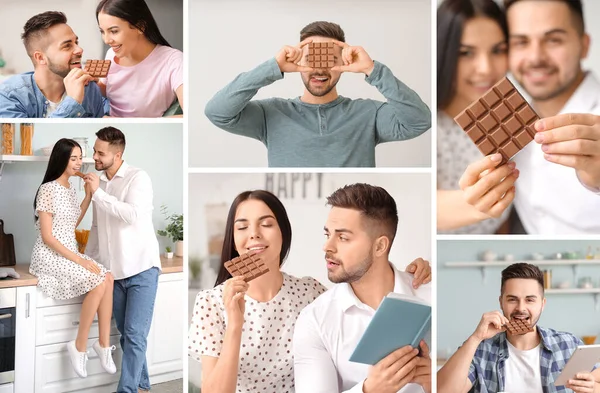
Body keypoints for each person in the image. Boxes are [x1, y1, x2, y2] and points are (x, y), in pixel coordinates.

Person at [188, 189, 431, 392]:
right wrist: (234, 324)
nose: (253, 234)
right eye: (241, 227)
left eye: (266, 224)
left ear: (283, 232)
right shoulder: (211, 303)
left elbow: (364, 284)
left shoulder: (309, 294)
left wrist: (414, 276)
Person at [204, 21, 431, 167]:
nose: (320, 69)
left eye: (330, 60)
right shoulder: (270, 114)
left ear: (345, 62)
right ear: (297, 60)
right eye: (311, 59)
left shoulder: (369, 113)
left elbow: (420, 121)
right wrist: (273, 67)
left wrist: (372, 69)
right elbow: (217, 112)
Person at [293, 183, 432, 393]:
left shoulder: (431, 294)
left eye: (343, 237)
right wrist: (369, 390)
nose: (327, 247)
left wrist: (437, 384)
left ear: (379, 246)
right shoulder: (315, 319)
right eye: (327, 234)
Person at [437, 263, 600, 393]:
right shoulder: (480, 350)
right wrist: (475, 338)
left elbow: (596, 381)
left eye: (530, 300)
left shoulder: (568, 345)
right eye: (512, 299)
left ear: (542, 304)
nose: (521, 308)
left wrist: (593, 388)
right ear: (501, 302)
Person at [30, 138, 116, 379]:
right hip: (49, 254)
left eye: (80, 157)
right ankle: (79, 346)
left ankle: (102, 344)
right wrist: (80, 260)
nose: (79, 163)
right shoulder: (48, 189)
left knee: (107, 277)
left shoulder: (69, 188)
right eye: (74, 158)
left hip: (68, 249)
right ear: (61, 159)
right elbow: (48, 236)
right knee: (99, 280)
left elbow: (70, 224)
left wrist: (88, 195)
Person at [84, 127, 161, 393]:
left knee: (136, 336)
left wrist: (98, 194)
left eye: (100, 153)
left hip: (142, 269)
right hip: (112, 274)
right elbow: (96, 227)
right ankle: (143, 385)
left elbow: (131, 215)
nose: (94, 156)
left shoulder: (138, 178)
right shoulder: (99, 183)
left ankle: (126, 390)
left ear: (117, 155)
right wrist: (87, 262)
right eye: (94, 150)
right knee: (128, 337)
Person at [436, 0, 518, 234]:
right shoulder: (430, 127)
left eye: (498, 50)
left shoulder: (511, 115)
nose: (485, 68)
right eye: (466, 53)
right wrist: (475, 204)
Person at [0, 11, 107, 118]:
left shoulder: (90, 89)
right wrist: (73, 102)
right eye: (67, 46)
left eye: (76, 43)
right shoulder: (9, 96)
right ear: (40, 58)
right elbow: (29, 135)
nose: (79, 50)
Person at [95, 0, 184, 117]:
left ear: (140, 27)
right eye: (102, 31)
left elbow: (191, 115)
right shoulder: (111, 53)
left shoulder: (174, 61)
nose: (106, 40)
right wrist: (91, 84)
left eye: (114, 31)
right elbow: (107, 92)